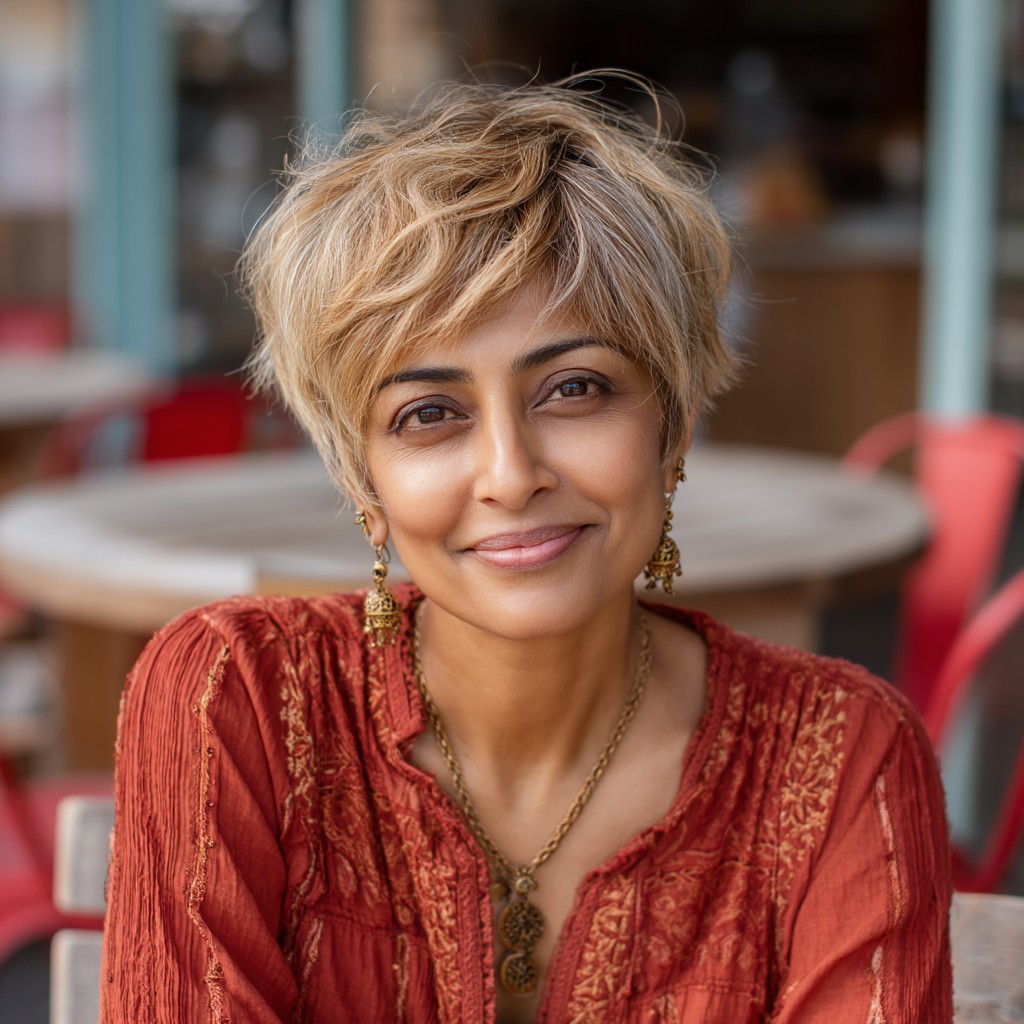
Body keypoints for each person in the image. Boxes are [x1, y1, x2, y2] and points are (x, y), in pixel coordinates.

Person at [99, 75, 952, 1023]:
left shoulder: (840, 759)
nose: (510, 473)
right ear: (361, 484)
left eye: (576, 389)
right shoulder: (237, 700)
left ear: (672, 429)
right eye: (429, 413)